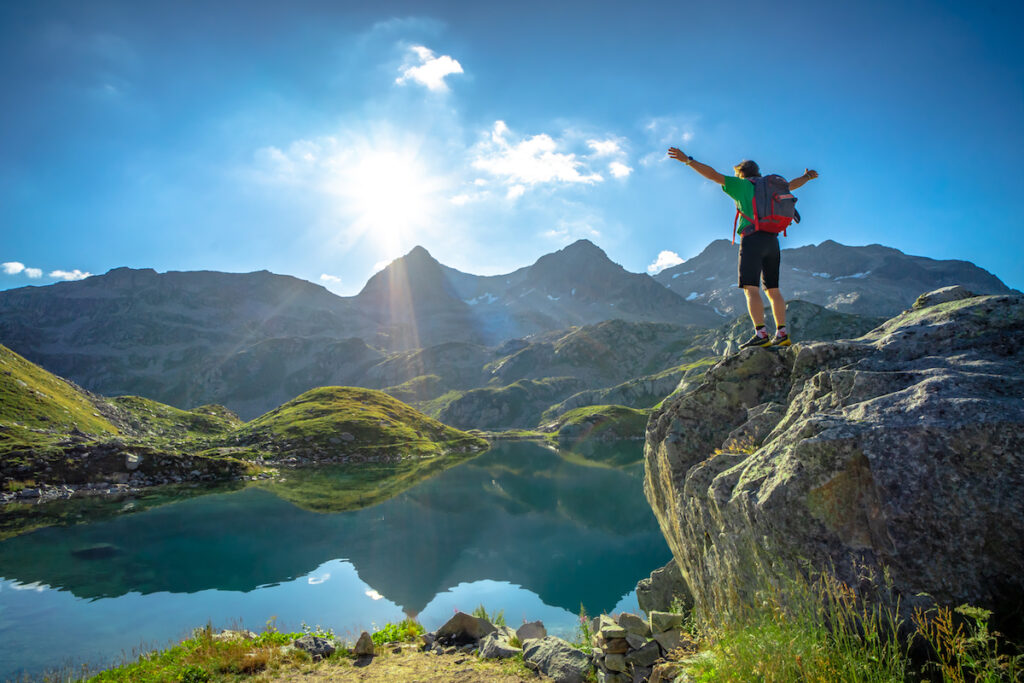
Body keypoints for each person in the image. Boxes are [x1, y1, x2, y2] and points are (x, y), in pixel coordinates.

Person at [667, 147, 818, 348]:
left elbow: (713, 175)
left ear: (740, 174)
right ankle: (782, 333)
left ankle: (761, 334)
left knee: (751, 289)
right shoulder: (773, 187)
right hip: (772, 240)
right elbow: (792, 184)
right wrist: (807, 176)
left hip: (752, 239)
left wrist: (688, 161)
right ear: (758, 172)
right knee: (773, 289)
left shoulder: (741, 185)